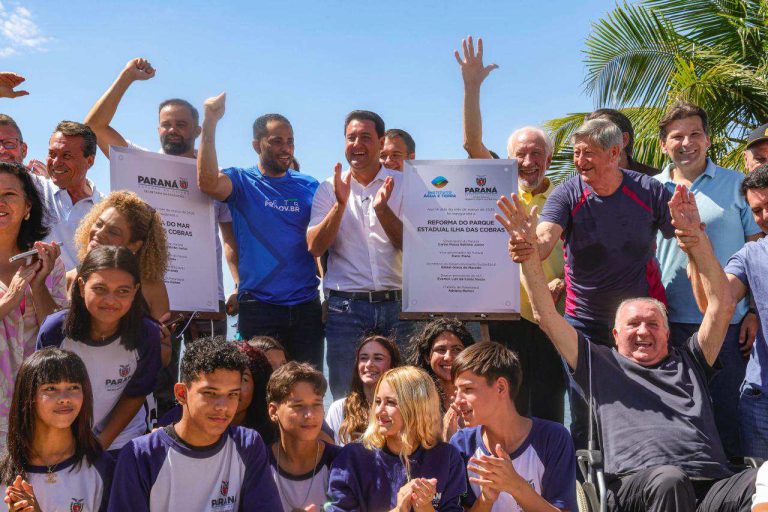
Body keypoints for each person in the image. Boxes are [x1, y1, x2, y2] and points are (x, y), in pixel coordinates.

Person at [503, 186, 758, 511]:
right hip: (639, 487)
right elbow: (546, 315)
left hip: (711, 487)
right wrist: (528, 255)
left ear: (668, 333)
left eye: (653, 324)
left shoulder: (691, 360)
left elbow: (721, 305)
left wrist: (695, 237)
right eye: (633, 324)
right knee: (670, 480)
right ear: (615, 334)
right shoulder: (597, 364)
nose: (643, 331)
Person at [456, 35, 567, 424]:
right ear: (507, 159)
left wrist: (565, 283)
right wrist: (472, 85)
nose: (528, 160)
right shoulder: (499, 187)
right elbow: (471, 143)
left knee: (551, 410)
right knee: (508, 409)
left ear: (549, 158)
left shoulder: (567, 194)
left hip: (555, 317)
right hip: (507, 318)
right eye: (521, 153)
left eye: (537, 153)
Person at [84, 58, 236, 337]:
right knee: (155, 365)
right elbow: (94, 126)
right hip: (150, 296)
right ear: (158, 130)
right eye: (166, 125)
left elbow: (229, 239)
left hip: (204, 300)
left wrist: (237, 284)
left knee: (213, 366)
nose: (173, 130)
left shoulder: (215, 179)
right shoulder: (138, 163)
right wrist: (127, 77)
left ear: (197, 130)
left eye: (181, 124)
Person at [653, 101, 762, 457]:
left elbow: (757, 253)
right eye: (677, 136)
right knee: (678, 422)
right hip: (668, 325)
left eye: (695, 134)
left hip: (729, 325)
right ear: (663, 145)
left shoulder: (737, 185)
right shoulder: (650, 189)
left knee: (729, 420)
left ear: (708, 139)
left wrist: (753, 313)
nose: (687, 143)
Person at [197, 93, 324, 370]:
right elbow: (207, 183)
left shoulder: (309, 185)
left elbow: (321, 244)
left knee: (308, 383)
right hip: (258, 306)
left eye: (290, 141)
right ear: (257, 145)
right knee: (257, 385)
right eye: (276, 141)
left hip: (306, 307)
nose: (285, 148)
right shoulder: (242, 181)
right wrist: (210, 122)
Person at [308, 110, 413, 398]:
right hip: (346, 310)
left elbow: (414, 247)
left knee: (404, 395)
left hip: (399, 306)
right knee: (347, 396)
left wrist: (383, 210)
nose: (357, 144)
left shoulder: (405, 184)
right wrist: (339, 205)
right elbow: (315, 246)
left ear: (381, 141)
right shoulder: (328, 188)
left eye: (365, 137)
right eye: (351, 137)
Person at [108, 336, 281, 511]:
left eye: (232, 394)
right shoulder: (140, 456)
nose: (223, 406)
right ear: (181, 393)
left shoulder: (248, 445)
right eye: (210, 393)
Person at [37, 246, 161, 452]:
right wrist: (65, 445)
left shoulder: (146, 334)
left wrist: (100, 444)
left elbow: (137, 393)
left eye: (123, 291)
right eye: (100, 289)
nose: (110, 300)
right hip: (64, 441)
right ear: (81, 285)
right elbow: (44, 393)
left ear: (135, 291)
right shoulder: (54, 331)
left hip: (121, 441)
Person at [449, 342, 576, 511]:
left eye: (467, 389)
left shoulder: (552, 438)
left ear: (501, 387)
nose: (457, 400)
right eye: (456, 391)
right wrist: (485, 501)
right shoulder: (462, 445)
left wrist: (515, 485)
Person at [326, 366, 466, 511]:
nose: (379, 411)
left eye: (390, 402)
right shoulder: (352, 458)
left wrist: (425, 507)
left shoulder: (447, 457)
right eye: (378, 401)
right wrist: (399, 509)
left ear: (417, 407)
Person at [0, 162, 67, 445]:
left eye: (9, 194)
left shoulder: (48, 264)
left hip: (35, 409)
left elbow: (59, 337)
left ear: (28, 206)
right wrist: (9, 300)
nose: (1, 202)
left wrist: (38, 285)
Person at [0, 348, 114, 512]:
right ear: (28, 397)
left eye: (74, 387)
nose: (64, 398)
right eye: (51, 388)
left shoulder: (102, 467)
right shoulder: (4, 471)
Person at [708, 165, 768, 459]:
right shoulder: (750, 254)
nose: (765, 216)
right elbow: (719, 301)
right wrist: (696, 245)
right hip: (761, 400)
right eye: (757, 210)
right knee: (759, 484)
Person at [158, 340, 277, 444]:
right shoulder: (171, 423)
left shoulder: (255, 442)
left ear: (258, 384)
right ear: (182, 393)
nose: (231, 385)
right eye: (209, 392)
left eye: (243, 379)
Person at [266, 361, 340, 512]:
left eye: (317, 404)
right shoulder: (260, 463)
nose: (310, 415)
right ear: (274, 412)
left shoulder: (339, 462)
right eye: (298, 406)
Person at [37, 121, 103, 269]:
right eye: (52, 154)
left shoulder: (105, 208)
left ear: (90, 161)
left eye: (66, 156)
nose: (56, 162)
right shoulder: (34, 188)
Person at [325, 335, 402, 446]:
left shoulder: (403, 408)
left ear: (393, 365)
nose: (369, 364)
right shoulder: (339, 409)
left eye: (378, 358)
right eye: (363, 358)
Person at [408, 318, 474, 413]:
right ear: (427, 356)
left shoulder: (479, 395)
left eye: (456, 350)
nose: (448, 357)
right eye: (441, 350)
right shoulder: (414, 398)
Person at [586, 108, 660, 176]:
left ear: (623, 140)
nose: (589, 144)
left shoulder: (656, 181)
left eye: (599, 137)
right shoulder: (582, 181)